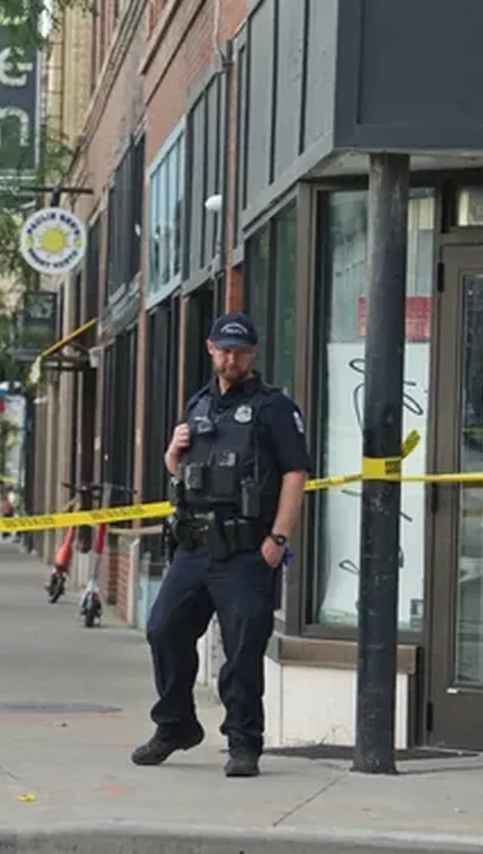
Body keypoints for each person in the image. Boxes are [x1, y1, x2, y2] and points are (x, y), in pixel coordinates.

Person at [131, 312, 311, 778]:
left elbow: (296, 473)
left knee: (243, 649)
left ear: (253, 353)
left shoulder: (274, 408)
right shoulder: (199, 403)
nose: (232, 358)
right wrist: (171, 454)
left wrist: (278, 537)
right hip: (194, 548)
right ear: (211, 348)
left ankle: (243, 742)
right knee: (164, 630)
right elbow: (184, 473)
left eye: (241, 350)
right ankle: (175, 726)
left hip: (247, 551)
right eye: (225, 349)